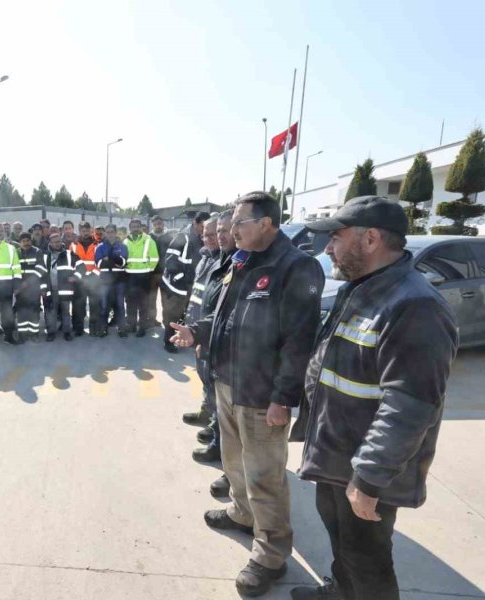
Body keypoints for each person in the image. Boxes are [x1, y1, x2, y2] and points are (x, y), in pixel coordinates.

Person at [290, 197, 459, 600]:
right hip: (336, 454)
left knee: (367, 560)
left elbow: (410, 406)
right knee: (340, 540)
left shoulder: (415, 306)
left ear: (370, 239)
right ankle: (340, 591)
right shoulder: (362, 289)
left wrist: (368, 477)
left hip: (365, 467)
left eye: (336, 237)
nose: (328, 248)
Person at [171, 192, 324, 597]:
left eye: (239, 223)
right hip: (227, 381)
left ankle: (271, 555)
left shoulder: (295, 267)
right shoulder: (241, 261)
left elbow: (299, 342)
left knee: (265, 477)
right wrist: (197, 332)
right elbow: (224, 315)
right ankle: (242, 513)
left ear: (266, 224)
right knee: (234, 461)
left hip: (261, 394)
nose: (231, 230)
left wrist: (283, 398)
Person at [185, 213, 233, 470]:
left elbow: (218, 308)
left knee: (215, 384)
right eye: (206, 234)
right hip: (199, 328)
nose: (211, 238)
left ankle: (217, 432)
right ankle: (208, 414)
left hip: (210, 333)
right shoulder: (205, 258)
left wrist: (203, 334)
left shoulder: (226, 262)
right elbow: (199, 295)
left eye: (215, 234)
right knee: (204, 377)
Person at [160, 211, 209, 353]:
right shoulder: (183, 237)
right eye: (202, 226)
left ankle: (182, 337)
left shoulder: (202, 238)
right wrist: (183, 279)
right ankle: (168, 341)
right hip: (176, 286)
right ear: (195, 223)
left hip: (191, 285)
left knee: (186, 313)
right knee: (172, 314)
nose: (204, 230)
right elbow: (170, 262)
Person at [40, 232, 83, 341]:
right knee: (50, 312)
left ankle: (67, 332)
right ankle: (51, 333)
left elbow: (82, 267)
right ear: (50, 243)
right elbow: (40, 273)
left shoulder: (69, 254)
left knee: (66, 312)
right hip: (50, 290)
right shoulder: (44, 255)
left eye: (59, 241)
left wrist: (75, 277)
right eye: (54, 242)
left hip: (65, 290)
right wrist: (43, 288)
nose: (57, 244)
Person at [123, 219, 159, 338]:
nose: (135, 229)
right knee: (130, 303)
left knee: (143, 304)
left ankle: (142, 327)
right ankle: (132, 325)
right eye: (133, 227)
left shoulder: (148, 240)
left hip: (144, 277)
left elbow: (154, 258)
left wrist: (148, 270)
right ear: (130, 228)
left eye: (137, 226)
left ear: (141, 227)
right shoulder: (126, 241)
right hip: (129, 276)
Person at [94, 224, 128, 337]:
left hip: (119, 280)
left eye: (112, 231)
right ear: (105, 233)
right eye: (108, 232)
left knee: (120, 305)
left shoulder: (123, 246)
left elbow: (123, 262)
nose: (110, 234)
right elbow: (98, 263)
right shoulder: (100, 247)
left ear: (116, 232)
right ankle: (103, 328)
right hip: (105, 281)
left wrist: (108, 258)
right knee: (104, 305)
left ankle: (121, 328)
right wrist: (115, 259)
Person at [69, 221, 100, 336]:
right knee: (78, 305)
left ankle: (94, 328)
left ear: (91, 231)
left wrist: (93, 275)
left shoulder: (97, 245)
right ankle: (78, 328)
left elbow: (100, 263)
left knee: (94, 306)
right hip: (79, 280)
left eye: (87, 230)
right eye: (83, 231)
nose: (85, 233)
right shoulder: (73, 245)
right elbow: (71, 263)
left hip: (94, 279)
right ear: (79, 231)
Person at [15, 232, 44, 342]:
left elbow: (41, 269)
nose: (26, 243)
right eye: (23, 241)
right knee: (21, 311)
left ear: (31, 241)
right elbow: (13, 269)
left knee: (34, 311)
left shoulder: (37, 252)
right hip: (20, 289)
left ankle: (34, 334)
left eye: (28, 240)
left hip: (34, 288)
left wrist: (28, 282)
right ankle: (22, 334)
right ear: (19, 242)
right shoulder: (16, 253)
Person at [149, 215, 173, 331]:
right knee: (151, 298)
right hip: (152, 274)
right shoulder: (148, 238)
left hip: (165, 273)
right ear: (152, 225)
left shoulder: (169, 237)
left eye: (159, 224)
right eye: (155, 224)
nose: (158, 226)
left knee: (165, 299)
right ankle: (153, 320)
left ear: (163, 224)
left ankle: (166, 320)